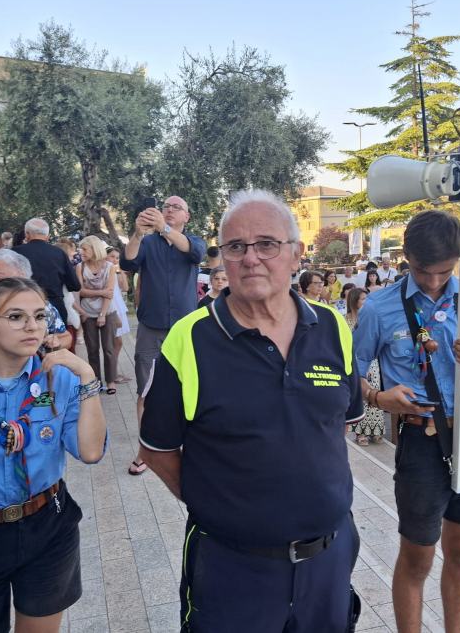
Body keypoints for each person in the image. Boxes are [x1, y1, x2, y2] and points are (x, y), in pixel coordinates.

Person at [139, 189, 363, 632]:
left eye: (266, 244)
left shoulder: (332, 326)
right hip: (232, 568)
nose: (250, 258)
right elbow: (157, 449)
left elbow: (338, 423)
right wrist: (221, 504)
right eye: (235, 247)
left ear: (297, 254)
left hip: (328, 560)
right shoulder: (190, 338)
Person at [353, 210, 460, 633]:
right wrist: (379, 397)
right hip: (421, 439)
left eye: (444, 271)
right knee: (418, 554)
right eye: (422, 271)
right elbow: (350, 372)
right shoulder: (381, 308)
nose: (433, 281)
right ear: (406, 257)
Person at [0, 277, 107, 633]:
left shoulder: (61, 379)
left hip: (47, 525)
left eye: (40, 316)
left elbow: (89, 451)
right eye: (15, 316)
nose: (32, 326)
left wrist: (87, 377)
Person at [120, 195, 206, 476]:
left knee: (191, 387)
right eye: (165, 206)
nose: (168, 210)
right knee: (145, 388)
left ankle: (191, 445)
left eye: (176, 207)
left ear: (187, 217)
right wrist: (136, 233)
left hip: (185, 329)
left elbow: (195, 254)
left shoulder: (193, 242)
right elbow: (128, 262)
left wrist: (164, 228)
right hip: (152, 326)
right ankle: (146, 451)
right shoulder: (147, 243)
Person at [12, 218, 81, 326]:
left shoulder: (15, 253)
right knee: (56, 341)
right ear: (47, 236)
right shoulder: (59, 253)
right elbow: (75, 285)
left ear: (27, 234)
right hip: (55, 308)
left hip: (23, 308)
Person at [75, 236, 120, 395]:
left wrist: (102, 314)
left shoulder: (109, 267)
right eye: (81, 249)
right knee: (92, 349)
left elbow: (110, 293)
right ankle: (96, 381)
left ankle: (111, 381)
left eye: (84, 249)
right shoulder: (80, 267)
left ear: (94, 249)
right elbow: (80, 291)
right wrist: (100, 292)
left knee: (108, 348)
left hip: (107, 312)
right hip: (87, 313)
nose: (81, 252)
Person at [345, 287, 385, 445]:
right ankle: (360, 433)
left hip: (372, 362)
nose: (366, 302)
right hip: (355, 361)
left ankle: (376, 430)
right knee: (361, 397)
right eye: (363, 299)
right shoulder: (345, 319)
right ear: (354, 300)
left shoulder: (370, 317)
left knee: (375, 395)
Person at [105, 247, 132, 383]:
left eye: (117, 257)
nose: (115, 260)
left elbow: (126, 288)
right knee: (115, 342)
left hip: (119, 307)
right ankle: (112, 373)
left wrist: (121, 272)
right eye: (112, 256)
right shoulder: (105, 272)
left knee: (118, 342)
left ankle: (113, 372)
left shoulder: (116, 271)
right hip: (112, 308)